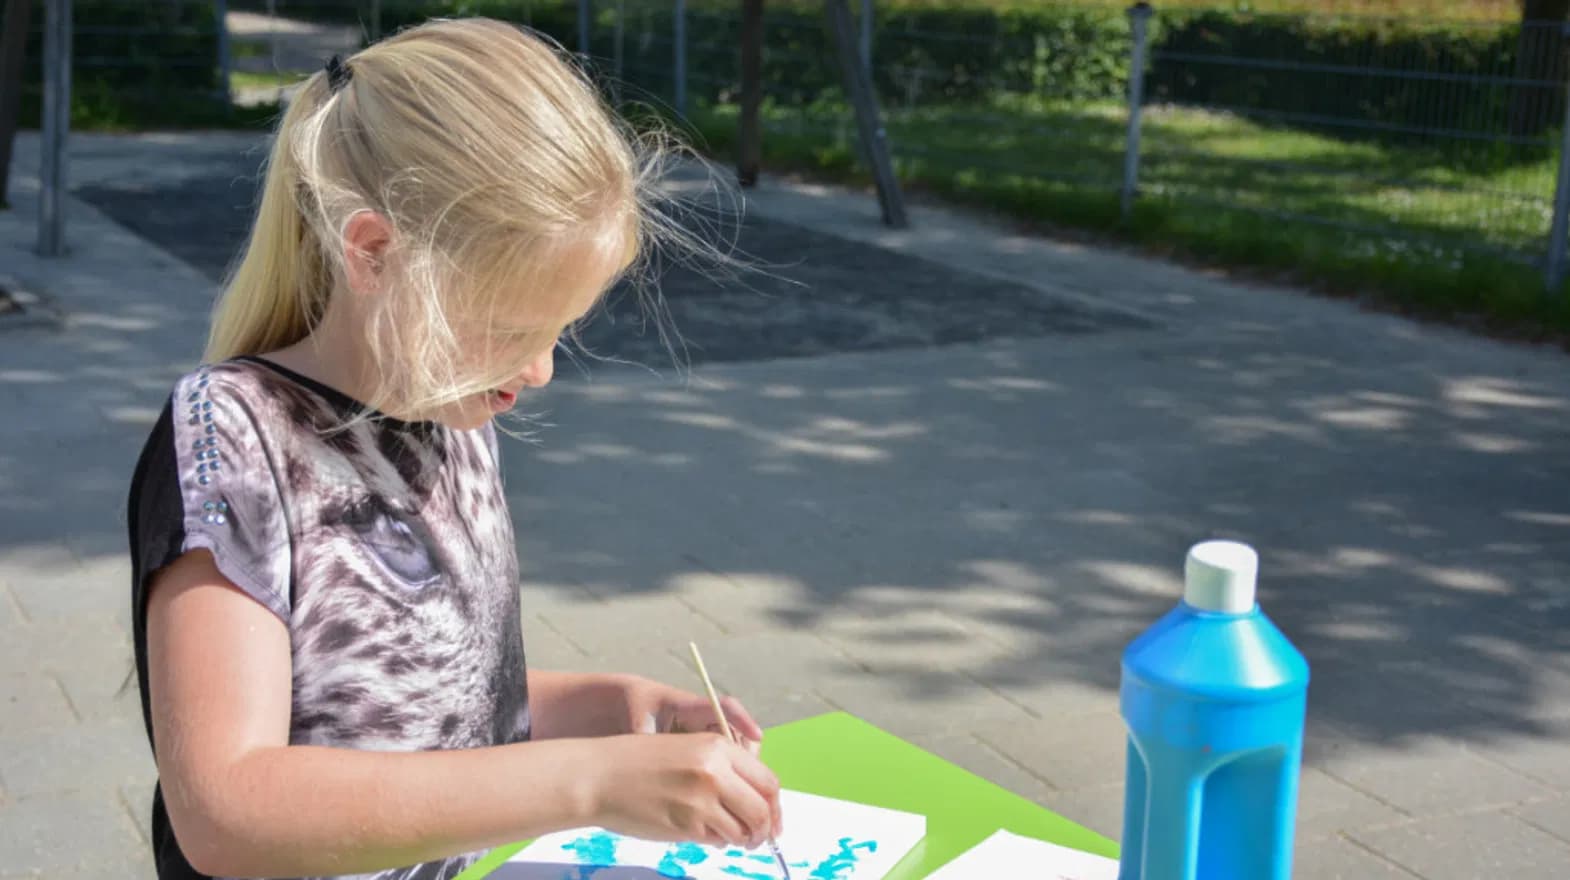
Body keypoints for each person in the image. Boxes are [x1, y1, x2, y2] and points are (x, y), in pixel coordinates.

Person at [126, 18, 781, 880]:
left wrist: (616, 711)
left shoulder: (451, 412)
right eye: (510, 329)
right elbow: (227, 807)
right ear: (373, 254)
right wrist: (588, 782)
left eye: (558, 332)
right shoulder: (233, 435)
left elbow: (433, 712)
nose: (541, 369)